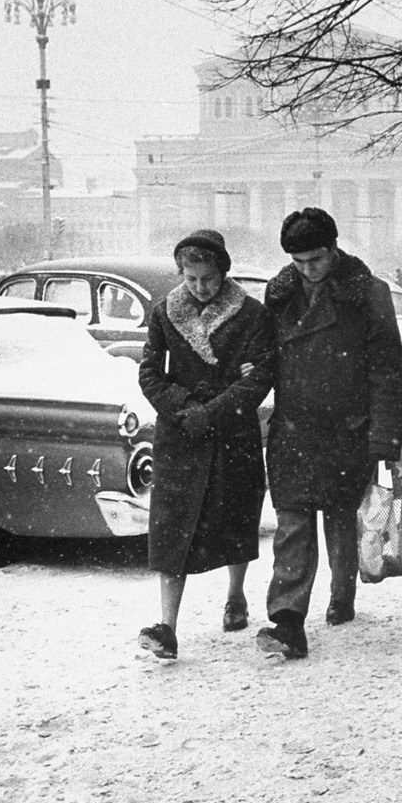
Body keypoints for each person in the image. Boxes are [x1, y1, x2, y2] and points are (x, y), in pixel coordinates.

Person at [255, 208, 402, 660]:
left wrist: (384, 435)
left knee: (341, 517)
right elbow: (267, 356)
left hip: (347, 430)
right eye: (298, 261)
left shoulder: (368, 294)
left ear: (334, 248)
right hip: (294, 428)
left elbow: (387, 369)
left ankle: (342, 594)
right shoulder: (280, 295)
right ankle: (287, 619)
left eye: (316, 259)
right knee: (293, 523)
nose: (307, 270)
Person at [137, 230, 275, 660]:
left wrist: (211, 412)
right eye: (191, 278)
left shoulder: (252, 314)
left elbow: (259, 378)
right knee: (171, 530)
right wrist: (181, 407)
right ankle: (167, 627)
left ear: (224, 273)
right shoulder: (165, 312)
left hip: (232, 432)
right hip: (180, 437)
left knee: (237, 517)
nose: (200, 287)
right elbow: (148, 374)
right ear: (181, 273)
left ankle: (235, 596)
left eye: (208, 278)